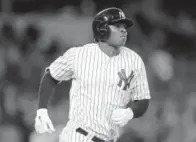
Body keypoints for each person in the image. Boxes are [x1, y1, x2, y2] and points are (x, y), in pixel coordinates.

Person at [34, 7, 151, 142]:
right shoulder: (79, 54)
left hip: (110, 138)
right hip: (78, 136)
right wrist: (41, 110)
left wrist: (130, 112)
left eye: (124, 26)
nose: (123, 30)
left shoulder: (134, 60)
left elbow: (143, 99)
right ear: (102, 29)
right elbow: (51, 76)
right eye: (117, 26)